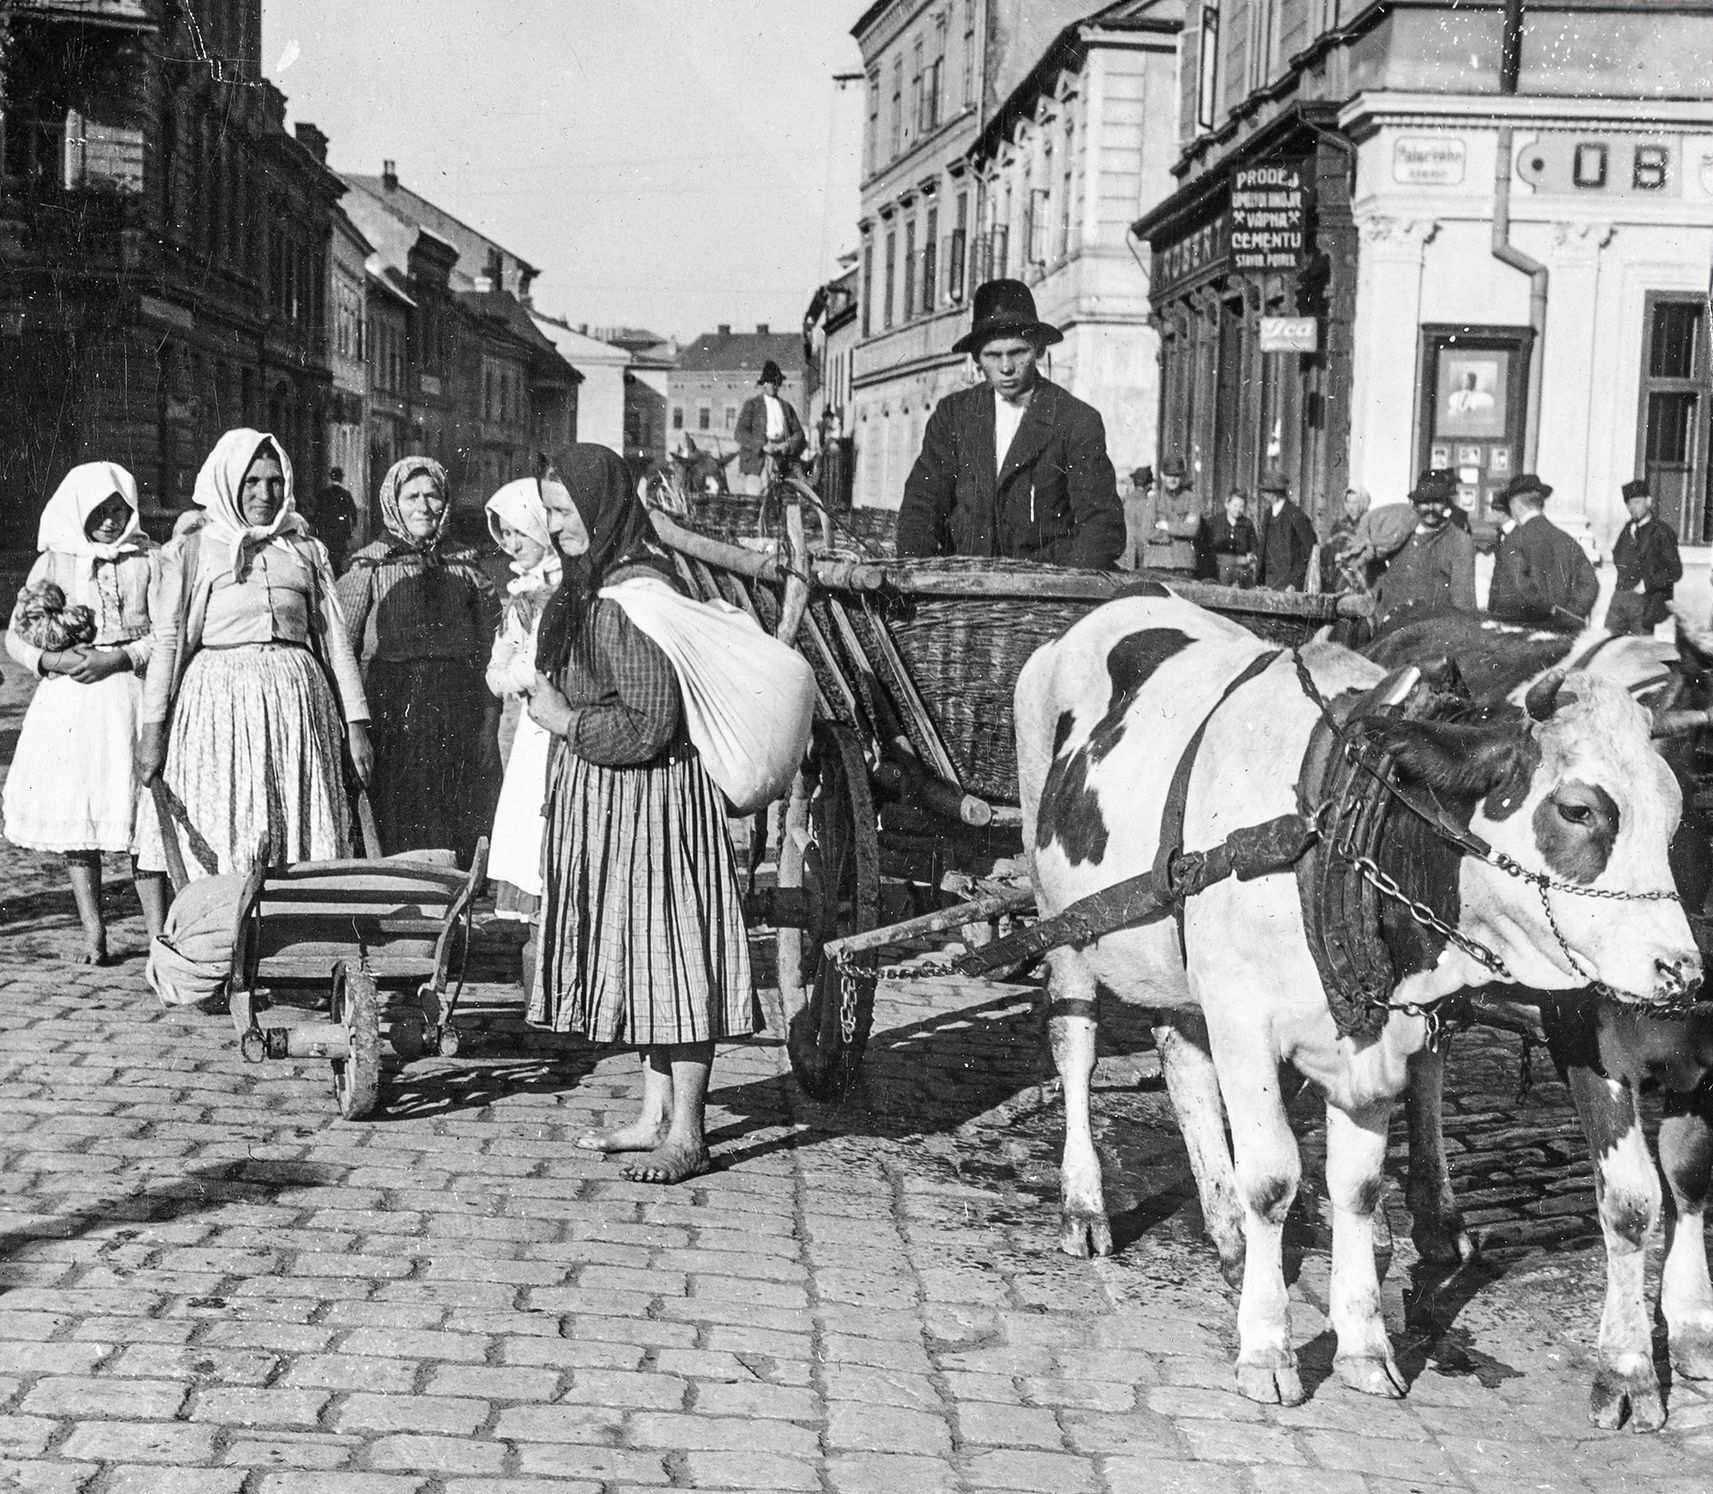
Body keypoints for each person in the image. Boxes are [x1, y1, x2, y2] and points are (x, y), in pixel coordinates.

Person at [526, 443, 760, 1185]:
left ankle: (689, 1133)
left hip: (651, 799)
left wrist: (564, 724)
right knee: (643, 955)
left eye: (566, 512)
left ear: (602, 511)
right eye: (550, 510)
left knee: (674, 956)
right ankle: (653, 1115)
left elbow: (648, 723)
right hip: (617, 800)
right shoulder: (596, 584)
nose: (556, 525)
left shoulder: (629, 600)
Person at [136, 429, 373, 881]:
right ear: (228, 482)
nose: (265, 493)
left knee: (295, 828)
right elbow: (168, 643)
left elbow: (337, 642)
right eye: (252, 482)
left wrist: (357, 727)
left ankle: (293, 932)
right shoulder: (195, 550)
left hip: (296, 704)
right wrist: (153, 732)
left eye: (275, 481)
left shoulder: (304, 550)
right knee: (230, 823)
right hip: (219, 706)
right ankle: (224, 930)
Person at [3, 462, 168, 962]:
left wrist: (120, 656)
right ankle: (94, 931)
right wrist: (50, 659)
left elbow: (166, 632)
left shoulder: (150, 559)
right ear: (79, 511)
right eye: (99, 512)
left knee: (143, 818)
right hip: (73, 703)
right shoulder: (56, 561)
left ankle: (160, 934)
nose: (111, 521)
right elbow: (16, 634)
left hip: (131, 695)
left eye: (118, 510)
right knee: (83, 814)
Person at [338, 457, 501, 863]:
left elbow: (492, 651)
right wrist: (354, 726)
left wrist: (489, 720)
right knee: (398, 809)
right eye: (412, 496)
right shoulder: (369, 564)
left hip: (456, 707)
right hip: (393, 708)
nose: (423, 506)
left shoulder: (466, 564)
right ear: (393, 502)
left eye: (433, 495)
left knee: (456, 807)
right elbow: (344, 648)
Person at [897, 279, 1123, 567]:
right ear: (978, 358)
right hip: (964, 590)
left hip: (1045, 595)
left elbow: (1101, 525)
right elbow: (922, 505)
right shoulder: (954, 415)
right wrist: (915, 576)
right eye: (993, 355)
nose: (1006, 367)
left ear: (1038, 350)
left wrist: (1067, 589)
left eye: (1018, 352)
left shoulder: (1074, 420)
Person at [482, 475, 561, 935]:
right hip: (527, 720)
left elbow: (539, 663)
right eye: (505, 533)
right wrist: (500, 674)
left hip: (554, 716)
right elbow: (506, 653)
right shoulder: (520, 593)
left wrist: (515, 674)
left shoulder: (561, 586)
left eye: (520, 531)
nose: (512, 543)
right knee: (527, 804)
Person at [1487, 473, 1598, 630]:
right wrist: (1569, 616)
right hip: (1561, 634)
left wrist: (1547, 611)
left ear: (1516, 506)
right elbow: (1590, 584)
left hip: (1521, 633)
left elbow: (1520, 586)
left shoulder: (1513, 541)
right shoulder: (1566, 539)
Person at [1373, 470, 1477, 628]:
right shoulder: (1398, 534)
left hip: (1431, 631)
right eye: (1425, 502)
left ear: (1446, 504)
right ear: (1415, 505)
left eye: (1437, 502)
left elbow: (1463, 600)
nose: (1431, 508)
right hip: (1389, 627)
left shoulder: (1459, 540)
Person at [1605, 478, 1681, 636]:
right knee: (1607, 644)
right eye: (1629, 504)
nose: (1633, 507)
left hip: (1645, 601)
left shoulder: (1661, 531)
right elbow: (1617, 555)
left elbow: (1675, 571)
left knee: (1639, 651)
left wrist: (1647, 584)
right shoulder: (1628, 529)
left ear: (1649, 501)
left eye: (1637, 502)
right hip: (1619, 597)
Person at [733, 360, 806, 497]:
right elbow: (740, 433)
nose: (773, 386)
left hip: (783, 460)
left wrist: (787, 445)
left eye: (776, 382)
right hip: (757, 462)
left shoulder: (786, 407)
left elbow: (799, 434)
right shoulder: (752, 405)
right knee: (756, 501)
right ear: (763, 384)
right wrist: (763, 445)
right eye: (769, 382)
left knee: (786, 499)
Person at [1255, 472, 1318, 591]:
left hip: (1288, 585)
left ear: (1275, 494)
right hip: (1268, 583)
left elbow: (1310, 550)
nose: (1263, 495)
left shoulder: (1296, 515)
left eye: (1266, 492)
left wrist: (1295, 583)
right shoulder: (1268, 514)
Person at [1139, 456, 1201, 576]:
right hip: (1158, 562)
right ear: (1162, 475)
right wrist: (1181, 528)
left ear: (1182, 476)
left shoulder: (1192, 499)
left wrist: (1166, 526)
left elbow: (1192, 529)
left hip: (1183, 564)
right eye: (1169, 475)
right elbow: (1147, 531)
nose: (1173, 479)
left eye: (1177, 475)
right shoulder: (1154, 500)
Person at [1202, 489, 1258, 587]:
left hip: (1239, 571)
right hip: (1217, 570)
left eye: (1241, 507)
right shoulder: (1213, 522)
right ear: (1227, 504)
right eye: (1235, 506)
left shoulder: (1247, 524)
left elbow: (1254, 549)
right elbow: (1205, 549)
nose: (1238, 509)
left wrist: (1249, 558)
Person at [308, 466, 359, 574]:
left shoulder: (323, 494)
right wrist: (353, 525)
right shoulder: (345, 494)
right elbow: (353, 512)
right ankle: (337, 572)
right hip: (341, 530)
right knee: (339, 552)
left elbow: (317, 512)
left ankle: (330, 572)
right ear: (341, 479)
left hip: (327, 529)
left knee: (328, 551)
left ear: (331, 478)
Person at [1319, 486, 1370, 591]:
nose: (1351, 507)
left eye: (1355, 503)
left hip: (1362, 572)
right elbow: (1329, 549)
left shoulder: (1368, 523)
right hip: (1339, 574)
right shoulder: (1339, 524)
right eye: (1348, 502)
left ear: (1362, 503)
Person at [1119, 465, 1153, 571]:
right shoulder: (1149, 502)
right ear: (1149, 485)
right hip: (1142, 549)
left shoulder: (1124, 500)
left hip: (1124, 548)